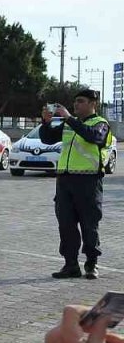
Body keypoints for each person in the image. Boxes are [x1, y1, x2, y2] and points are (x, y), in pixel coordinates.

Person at [41, 90, 113, 279]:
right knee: (66, 224)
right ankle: (70, 265)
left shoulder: (100, 124)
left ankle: (91, 264)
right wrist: (46, 122)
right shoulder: (69, 124)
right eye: (75, 102)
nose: (76, 105)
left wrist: (70, 118)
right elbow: (48, 139)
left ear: (92, 104)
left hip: (88, 181)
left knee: (89, 225)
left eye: (80, 101)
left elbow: (94, 137)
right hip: (65, 181)